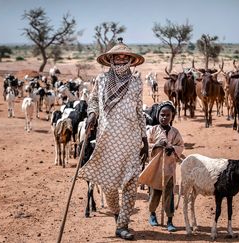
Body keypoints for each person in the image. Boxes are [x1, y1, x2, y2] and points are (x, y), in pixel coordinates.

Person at [78, 38, 148, 240]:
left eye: (124, 57)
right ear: (110, 59)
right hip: (107, 141)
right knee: (108, 186)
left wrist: (144, 140)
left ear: (130, 60)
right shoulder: (101, 81)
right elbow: (93, 101)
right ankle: (117, 214)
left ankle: (123, 225)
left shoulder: (136, 83)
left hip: (131, 141)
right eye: (116, 57)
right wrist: (92, 114)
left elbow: (139, 112)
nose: (120, 59)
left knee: (130, 184)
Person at [138, 101, 184, 232]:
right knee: (154, 193)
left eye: (167, 115)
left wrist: (172, 149)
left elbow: (181, 146)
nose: (164, 117)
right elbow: (145, 147)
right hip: (155, 169)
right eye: (162, 115)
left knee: (169, 194)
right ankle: (152, 214)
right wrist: (157, 145)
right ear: (158, 115)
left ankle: (169, 220)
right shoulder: (152, 130)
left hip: (169, 169)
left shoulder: (175, 132)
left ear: (172, 117)